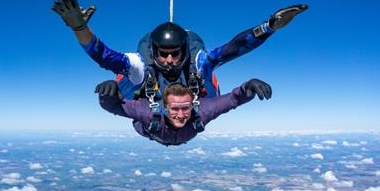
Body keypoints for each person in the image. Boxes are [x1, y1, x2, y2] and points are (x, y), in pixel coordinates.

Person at [52, 0, 307, 99]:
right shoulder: (141, 65)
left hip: (193, 106)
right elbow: (103, 55)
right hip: (150, 108)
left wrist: (268, 27)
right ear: (153, 52)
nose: (171, 60)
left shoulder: (198, 62)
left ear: (185, 50)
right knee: (123, 75)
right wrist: (79, 28)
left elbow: (233, 48)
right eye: (164, 54)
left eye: (176, 53)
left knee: (209, 69)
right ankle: (123, 87)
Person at [95, 78, 272, 146]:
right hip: (150, 131)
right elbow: (114, 107)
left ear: (192, 105)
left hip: (172, 133)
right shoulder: (147, 112)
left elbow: (233, 99)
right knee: (130, 103)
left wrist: (248, 87)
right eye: (174, 109)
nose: (180, 115)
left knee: (211, 96)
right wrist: (108, 94)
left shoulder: (203, 111)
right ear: (165, 107)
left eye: (185, 108)